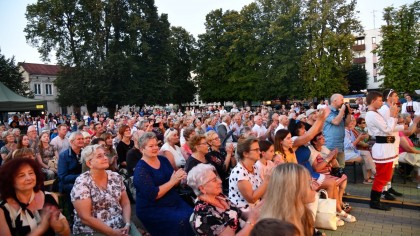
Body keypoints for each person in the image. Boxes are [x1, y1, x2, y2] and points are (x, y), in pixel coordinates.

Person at [133, 132, 194, 236]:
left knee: (192, 215)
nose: (155, 148)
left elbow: (174, 183)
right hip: (152, 208)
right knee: (181, 222)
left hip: (172, 200)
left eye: (156, 145)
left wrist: (179, 178)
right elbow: (153, 195)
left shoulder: (163, 160)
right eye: (151, 146)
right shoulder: (141, 170)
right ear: (142, 149)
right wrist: (173, 181)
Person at [71, 144, 131, 235]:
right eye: (99, 156)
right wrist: (112, 232)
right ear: (89, 163)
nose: (105, 158)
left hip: (120, 223)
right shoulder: (82, 182)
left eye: (105, 154)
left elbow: (125, 203)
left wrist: (127, 224)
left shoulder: (115, 176)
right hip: (93, 230)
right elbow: (85, 218)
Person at [0, 158, 70, 236]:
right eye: (21, 175)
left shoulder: (48, 197)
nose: (29, 178)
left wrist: (59, 227)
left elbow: (67, 232)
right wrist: (41, 228)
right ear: (10, 181)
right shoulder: (4, 209)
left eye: (31, 173)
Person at [187, 163, 259, 236]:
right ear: (202, 188)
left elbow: (240, 213)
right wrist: (251, 221)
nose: (220, 181)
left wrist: (258, 209)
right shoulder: (204, 215)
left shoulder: (219, 196)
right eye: (214, 180)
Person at [365, 91, 401, 210]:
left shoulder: (375, 113)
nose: (381, 102)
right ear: (373, 101)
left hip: (386, 147)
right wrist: (393, 116)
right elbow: (387, 129)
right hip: (382, 148)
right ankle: (374, 202)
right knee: (382, 176)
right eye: (380, 100)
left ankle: (377, 199)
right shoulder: (372, 114)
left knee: (385, 175)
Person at [259, 163, 317, 236]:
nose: (315, 186)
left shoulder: (304, 214)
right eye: (309, 183)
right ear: (293, 190)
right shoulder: (275, 230)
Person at [378, 89, 405, 201]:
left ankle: (388, 187)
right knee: (387, 167)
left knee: (392, 166)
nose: (398, 97)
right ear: (389, 98)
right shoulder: (385, 109)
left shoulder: (391, 108)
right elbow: (387, 128)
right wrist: (402, 127)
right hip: (388, 140)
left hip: (393, 140)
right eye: (395, 95)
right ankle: (383, 191)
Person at [229, 136, 269, 211]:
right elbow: (252, 199)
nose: (259, 152)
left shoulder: (254, 167)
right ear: (245, 154)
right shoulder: (239, 172)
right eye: (256, 150)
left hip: (257, 207)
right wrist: (266, 180)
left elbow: (261, 191)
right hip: (245, 213)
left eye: (259, 149)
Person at [344, 116, 376, 183]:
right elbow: (350, 146)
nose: (354, 123)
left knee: (367, 154)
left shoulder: (351, 131)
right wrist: (359, 139)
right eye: (352, 122)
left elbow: (356, 143)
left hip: (353, 151)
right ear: (347, 123)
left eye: (354, 121)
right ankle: (372, 175)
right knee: (365, 158)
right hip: (346, 153)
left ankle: (372, 175)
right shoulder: (345, 132)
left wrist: (361, 138)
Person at [323, 94, 350, 168]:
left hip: (340, 145)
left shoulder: (339, 112)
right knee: (332, 168)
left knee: (341, 168)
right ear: (335, 100)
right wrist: (342, 110)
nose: (343, 102)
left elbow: (347, 124)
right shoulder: (327, 110)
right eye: (341, 100)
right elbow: (336, 121)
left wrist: (348, 112)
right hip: (330, 145)